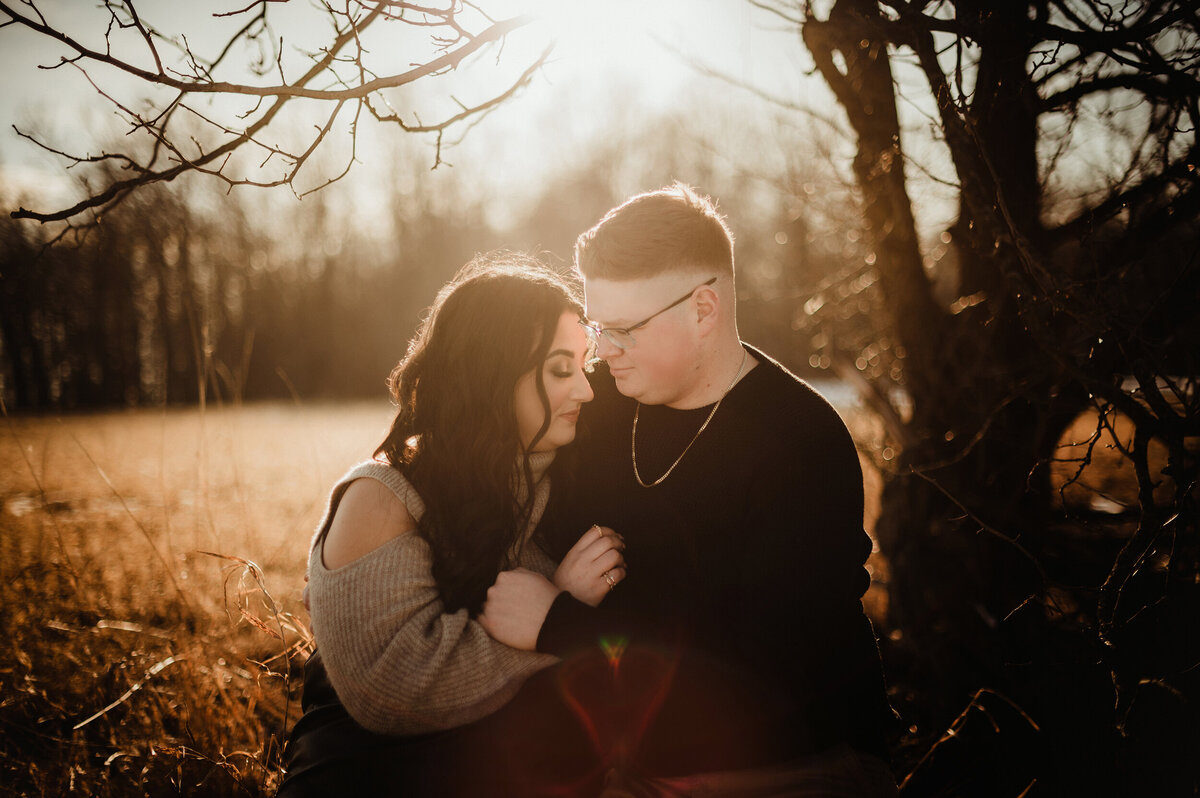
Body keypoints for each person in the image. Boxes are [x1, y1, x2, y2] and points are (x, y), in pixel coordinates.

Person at [480, 184, 900, 795]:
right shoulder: (595, 406)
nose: (606, 353)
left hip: (789, 765)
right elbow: (468, 451)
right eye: (598, 328)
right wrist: (379, 526)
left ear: (704, 309)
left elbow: (760, 675)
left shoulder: (799, 442)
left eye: (625, 329)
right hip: (626, 759)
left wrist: (559, 622)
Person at [277, 254, 627, 796]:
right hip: (369, 777)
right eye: (561, 370)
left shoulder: (571, 478)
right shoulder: (383, 496)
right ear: (491, 373)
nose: (585, 391)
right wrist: (554, 614)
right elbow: (388, 691)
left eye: (585, 365)